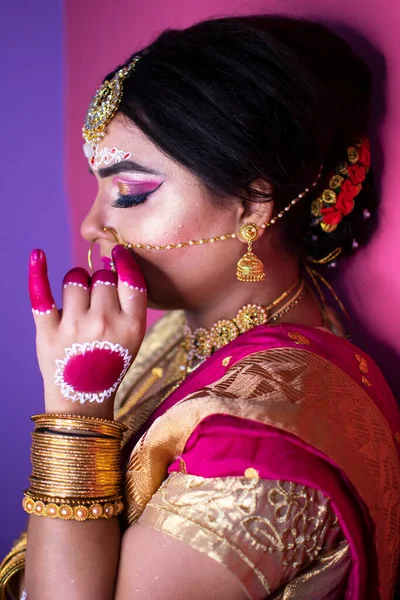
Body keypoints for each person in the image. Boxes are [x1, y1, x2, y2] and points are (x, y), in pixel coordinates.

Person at [0, 13, 399, 600]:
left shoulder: (267, 439)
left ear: (255, 203)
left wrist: (77, 410)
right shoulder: (173, 336)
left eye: (131, 192)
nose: (91, 225)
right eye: (98, 189)